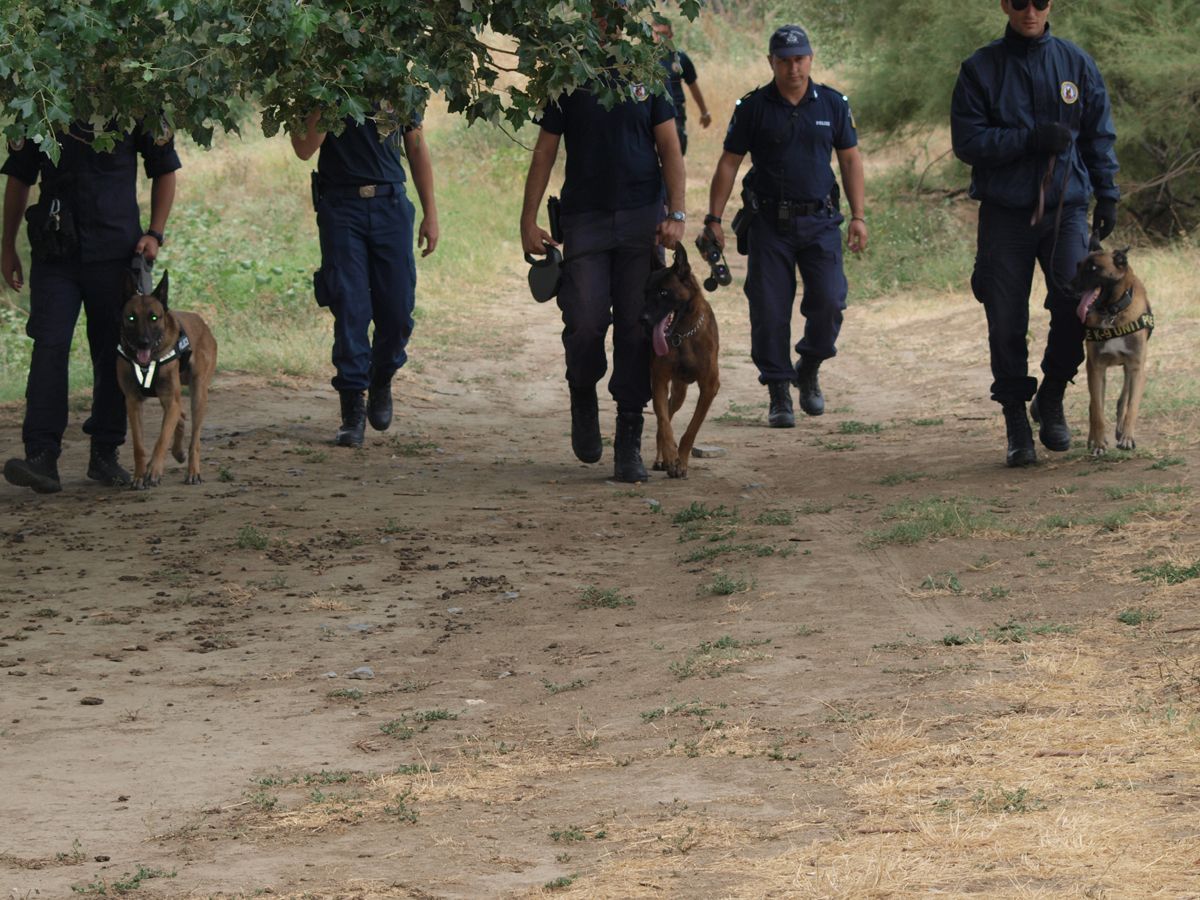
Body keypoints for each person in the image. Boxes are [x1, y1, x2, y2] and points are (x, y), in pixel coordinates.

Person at [951, 0, 1118, 467]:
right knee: (1005, 318)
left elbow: (1098, 133)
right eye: (1020, 2)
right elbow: (967, 141)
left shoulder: (1075, 62)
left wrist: (1108, 193)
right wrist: (1027, 139)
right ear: (1005, 5)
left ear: (1050, 5)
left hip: (1067, 207)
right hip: (1005, 212)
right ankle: (1015, 420)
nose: (1030, 11)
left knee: (1076, 303)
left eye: (1039, 2)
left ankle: (1051, 395)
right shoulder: (980, 69)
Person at [520, 36, 687, 483]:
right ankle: (582, 388)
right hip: (586, 219)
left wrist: (676, 213)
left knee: (637, 326)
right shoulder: (568, 71)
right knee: (586, 318)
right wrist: (527, 218)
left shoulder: (648, 72)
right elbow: (545, 150)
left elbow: (670, 148)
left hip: (640, 221)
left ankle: (629, 435)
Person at [2, 121, 179, 494]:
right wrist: (7, 246)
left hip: (116, 254)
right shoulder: (45, 97)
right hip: (56, 252)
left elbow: (164, 168)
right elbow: (20, 177)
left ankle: (105, 452)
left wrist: (155, 233)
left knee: (114, 350)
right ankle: (41, 456)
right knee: (49, 345)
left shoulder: (132, 99)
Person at [706, 24, 867, 428]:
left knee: (830, 301)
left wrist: (859, 216)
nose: (793, 68)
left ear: (810, 59)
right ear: (771, 62)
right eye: (784, 61)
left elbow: (850, 159)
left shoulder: (831, 104)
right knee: (769, 309)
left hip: (820, 222)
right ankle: (779, 389)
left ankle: (809, 364)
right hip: (769, 224)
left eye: (799, 59)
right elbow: (729, 161)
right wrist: (714, 218)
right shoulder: (754, 107)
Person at [291, 107, 438, 448]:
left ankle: (382, 376)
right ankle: (352, 409)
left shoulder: (395, 76)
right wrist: (329, 95)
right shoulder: (321, 80)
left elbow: (415, 146)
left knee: (399, 311)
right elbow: (303, 148)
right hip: (342, 206)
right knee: (350, 308)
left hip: (390, 203)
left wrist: (431, 212)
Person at [653, 21, 713, 156]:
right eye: (657, 34)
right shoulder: (643, 60)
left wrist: (704, 112)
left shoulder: (680, 58)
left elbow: (693, 86)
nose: (660, 38)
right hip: (651, 114)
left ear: (671, 35)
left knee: (674, 154)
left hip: (676, 113)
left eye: (664, 34)